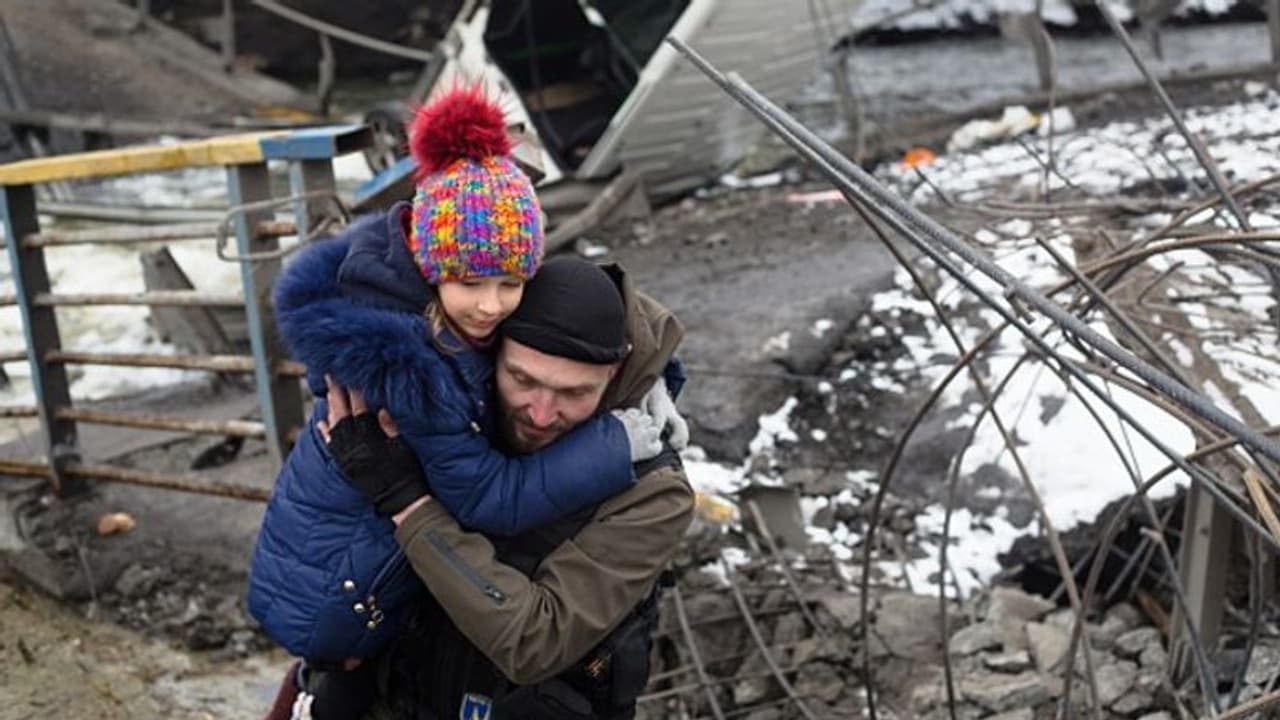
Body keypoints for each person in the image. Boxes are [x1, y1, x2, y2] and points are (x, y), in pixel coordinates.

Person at [248, 87, 674, 704]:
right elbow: (489, 499)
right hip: (336, 596)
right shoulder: (411, 371)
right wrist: (617, 439)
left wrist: (655, 374)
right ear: (430, 264)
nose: (491, 305)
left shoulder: (436, 310)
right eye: (471, 282)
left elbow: (577, 319)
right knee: (345, 689)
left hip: (348, 574)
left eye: (511, 282)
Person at [280, 255, 696, 720]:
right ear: (490, 348)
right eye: (522, 379)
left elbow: (534, 642)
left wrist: (407, 503)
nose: (540, 414)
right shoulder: (454, 403)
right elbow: (395, 272)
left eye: (574, 393)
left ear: (615, 372)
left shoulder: (654, 492)